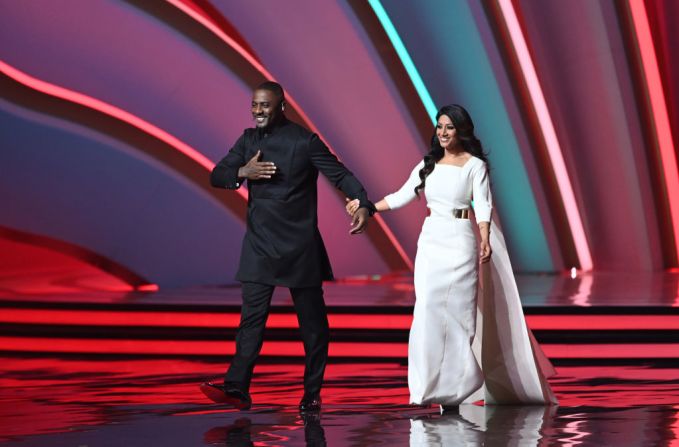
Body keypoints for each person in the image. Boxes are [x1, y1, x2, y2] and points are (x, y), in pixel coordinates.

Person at [347, 104, 556, 409]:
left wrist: (485, 237)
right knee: (428, 310)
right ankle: (426, 388)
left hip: (460, 239)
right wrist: (368, 207)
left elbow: (483, 205)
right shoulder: (428, 164)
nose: (443, 133)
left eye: (450, 127)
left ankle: (459, 388)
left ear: (461, 131)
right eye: (440, 126)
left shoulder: (475, 166)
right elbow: (402, 194)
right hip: (432, 239)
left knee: (459, 316)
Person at [202, 81, 375, 412]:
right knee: (251, 319)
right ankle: (237, 387)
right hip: (260, 244)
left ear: (281, 106)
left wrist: (363, 202)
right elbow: (217, 174)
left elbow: (340, 175)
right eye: (254, 105)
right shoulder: (248, 139)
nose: (258, 111)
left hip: (298, 244)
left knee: (312, 324)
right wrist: (243, 171)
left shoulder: (304, 141)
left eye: (265, 106)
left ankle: (311, 393)